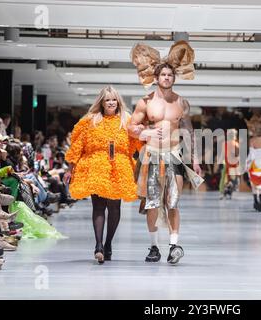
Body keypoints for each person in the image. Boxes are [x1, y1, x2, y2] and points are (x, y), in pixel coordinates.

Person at [128, 40, 202, 264]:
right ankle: (154, 247)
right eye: (163, 75)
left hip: (174, 155)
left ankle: (174, 245)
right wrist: (146, 134)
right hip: (151, 155)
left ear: (174, 78)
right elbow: (131, 127)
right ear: (157, 78)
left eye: (170, 75)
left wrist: (196, 159)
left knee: (173, 201)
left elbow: (189, 132)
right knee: (152, 202)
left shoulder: (182, 103)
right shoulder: (145, 102)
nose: (167, 78)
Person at [65, 86, 142, 264]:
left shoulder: (127, 121)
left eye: (114, 99)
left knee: (115, 207)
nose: (111, 102)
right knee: (98, 206)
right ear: (102, 102)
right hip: (95, 166)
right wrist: (70, 168)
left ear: (118, 101)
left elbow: (139, 143)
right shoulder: (90, 121)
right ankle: (98, 245)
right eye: (107, 99)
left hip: (120, 167)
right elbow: (77, 145)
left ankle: (108, 244)